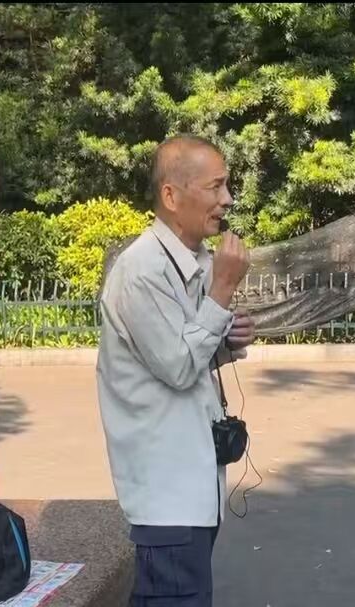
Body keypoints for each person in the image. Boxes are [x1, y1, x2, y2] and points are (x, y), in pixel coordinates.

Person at [96, 134, 255, 606]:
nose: (227, 199)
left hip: (194, 485)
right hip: (167, 495)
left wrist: (225, 342)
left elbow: (183, 352)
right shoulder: (141, 271)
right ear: (171, 195)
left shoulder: (192, 262)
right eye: (215, 186)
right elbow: (180, 367)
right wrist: (222, 291)